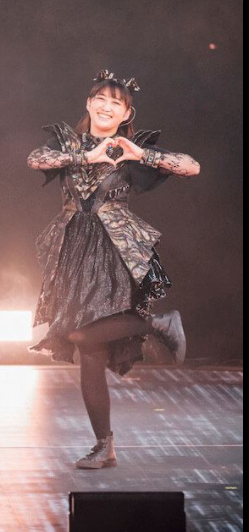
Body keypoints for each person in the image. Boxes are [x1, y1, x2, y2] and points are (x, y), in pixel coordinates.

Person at [27, 70, 200, 469]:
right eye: (100, 99)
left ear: (126, 113)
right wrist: (85, 156)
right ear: (89, 104)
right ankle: (104, 445)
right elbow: (36, 159)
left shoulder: (131, 146)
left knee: (80, 334)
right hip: (74, 249)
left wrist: (143, 155)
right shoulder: (68, 144)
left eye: (116, 103)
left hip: (117, 246)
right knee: (87, 348)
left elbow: (191, 166)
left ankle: (157, 324)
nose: (106, 107)